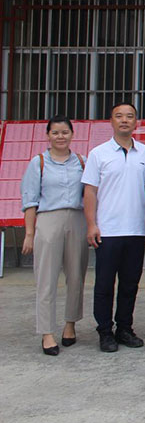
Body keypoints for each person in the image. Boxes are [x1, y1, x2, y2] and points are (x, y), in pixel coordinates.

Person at [82, 102, 145, 353]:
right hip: (107, 231)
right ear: (111, 121)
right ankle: (105, 331)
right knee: (104, 284)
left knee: (130, 283)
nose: (124, 120)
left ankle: (125, 328)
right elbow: (90, 191)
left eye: (129, 116)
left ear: (136, 122)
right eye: (119, 116)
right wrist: (91, 224)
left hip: (135, 230)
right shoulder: (98, 154)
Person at [20, 116, 88, 356]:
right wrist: (29, 233)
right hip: (48, 220)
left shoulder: (82, 161)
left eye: (65, 132)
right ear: (48, 135)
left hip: (77, 220)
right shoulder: (38, 163)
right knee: (46, 278)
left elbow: (90, 195)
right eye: (56, 132)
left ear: (72, 134)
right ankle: (47, 332)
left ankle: (70, 324)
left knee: (76, 275)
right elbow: (30, 200)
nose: (61, 137)